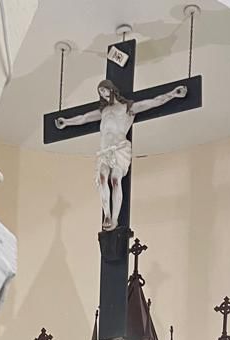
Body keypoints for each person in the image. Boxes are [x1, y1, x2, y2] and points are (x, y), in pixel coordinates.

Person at [56, 79, 188, 230]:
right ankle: (107, 214)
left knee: (115, 179)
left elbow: (153, 102)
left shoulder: (128, 108)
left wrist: (173, 94)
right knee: (102, 177)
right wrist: (66, 122)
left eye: (104, 90)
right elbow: (84, 118)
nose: (103, 94)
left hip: (119, 148)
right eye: (100, 92)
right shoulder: (103, 111)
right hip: (104, 150)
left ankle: (115, 219)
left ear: (112, 89)